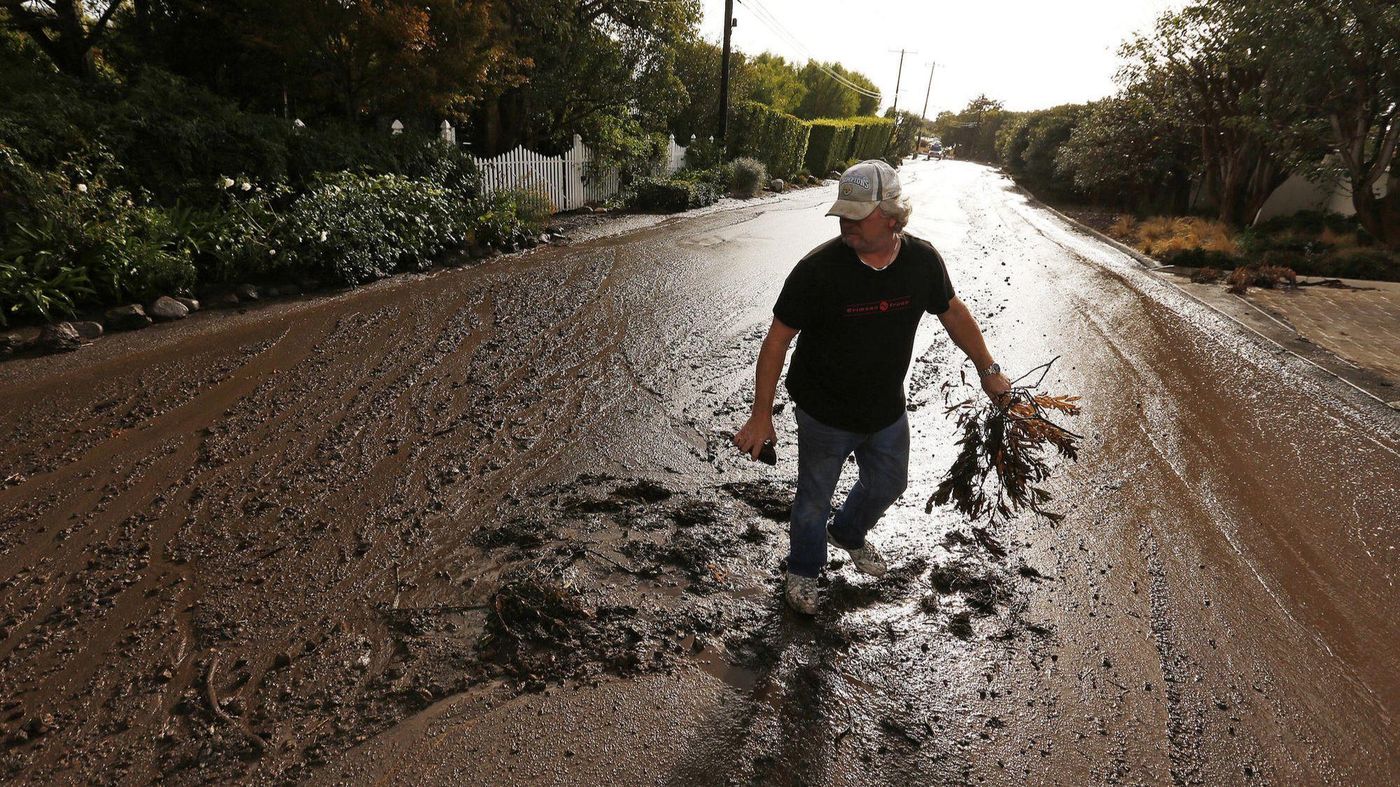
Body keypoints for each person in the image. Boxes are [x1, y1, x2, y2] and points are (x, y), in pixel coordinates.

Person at [732, 159, 1011, 615]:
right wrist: (761, 414)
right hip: (823, 410)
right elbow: (777, 340)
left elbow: (953, 313)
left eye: (857, 216)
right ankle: (803, 571)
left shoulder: (922, 262)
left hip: (885, 408)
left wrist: (988, 370)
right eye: (843, 214)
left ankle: (848, 532)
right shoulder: (818, 270)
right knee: (812, 500)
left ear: (893, 216)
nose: (846, 224)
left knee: (889, 483)